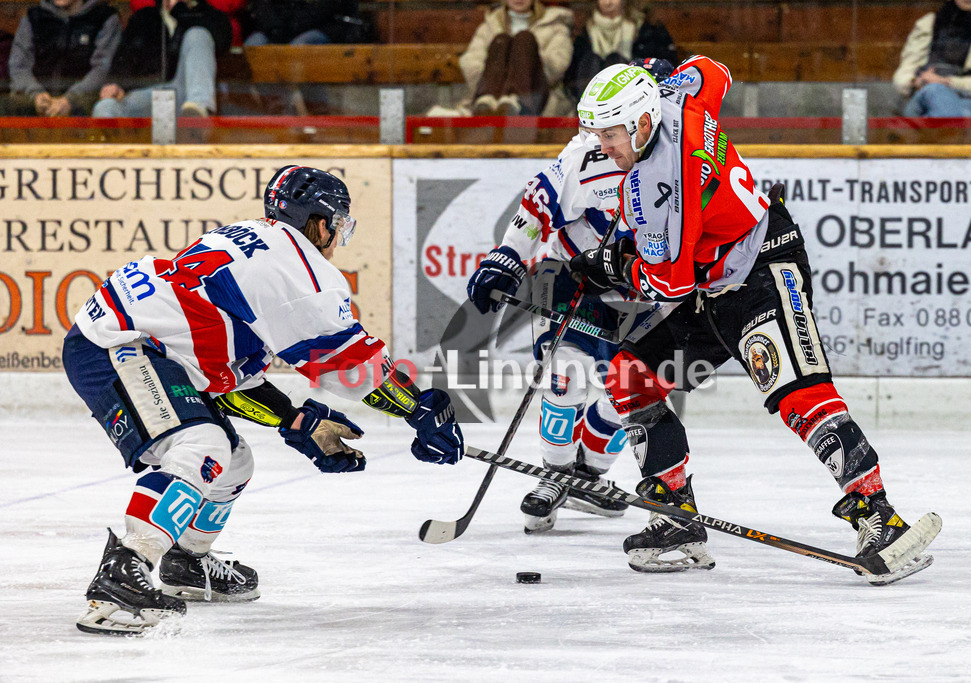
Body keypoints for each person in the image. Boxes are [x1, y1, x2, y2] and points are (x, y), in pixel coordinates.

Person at [568, 60, 941, 582]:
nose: (602, 146)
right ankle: (675, 515)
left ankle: (880, 517)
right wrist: (661, 75)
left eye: (610, 134)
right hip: (711, 281)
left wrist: (611, 265)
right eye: (597, 134)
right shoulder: (679, 97)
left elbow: (668, 283)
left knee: (795, 389)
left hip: (761, 266)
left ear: (642, 123)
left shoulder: (660, 182)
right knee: (632, 374)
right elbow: (710, 70)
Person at [64, 166, 465, 635]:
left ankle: (185, 562)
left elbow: (224, 377)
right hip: (118, 345)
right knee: (201, 447)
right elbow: (352, 367)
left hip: (133, 342)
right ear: (320, 223)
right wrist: (418, 409)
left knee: (232, 460)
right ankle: (121, 576)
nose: (339, 236)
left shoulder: (256, 242)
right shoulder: (301, 270)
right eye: (340, 224)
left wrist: (296, 420)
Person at [467, 60, 679, 533]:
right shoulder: (590, 153)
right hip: (573, 276)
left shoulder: (685, 157)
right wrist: (506, 256)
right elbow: (537, 202)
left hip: (643, 289)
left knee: (634, 389)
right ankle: (555, 471)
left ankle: (588, 476)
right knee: (567, 373)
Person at [93, 0, 232, 119]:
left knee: (197, 34)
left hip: (186, 96)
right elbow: (124, 58)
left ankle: (197, 116)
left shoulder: (210, 15)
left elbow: (222, 41)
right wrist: (117, 85)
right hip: (148, 95)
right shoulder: (144, 17)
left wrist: (179, 10)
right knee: (106, 107)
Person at [893, 0, 971, 117]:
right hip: (926, 94)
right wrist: (916, 82)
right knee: (935, 93)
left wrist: (948, 82)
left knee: (950, 111)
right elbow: (904, 74)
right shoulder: (930, 23)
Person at [5, 0, 121, 117]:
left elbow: (102, 68)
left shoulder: (104, 17)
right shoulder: (33, 17)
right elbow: (19, 66)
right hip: (36, 102)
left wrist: (70, 100)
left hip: (84, 103)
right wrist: (36, 95)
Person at [458, 0, 573, 116]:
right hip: (493, 91)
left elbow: (559, 63)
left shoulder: (554, 25)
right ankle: (487, 101)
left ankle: (515, 100)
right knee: (501, 40)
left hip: (535, 94)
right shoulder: (490, 25)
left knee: (524, 39)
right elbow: (471, 61)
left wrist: (527, 62)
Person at [563, 0, 677, 104]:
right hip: (591, 100)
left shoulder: (646, 29)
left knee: (615, 61)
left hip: (635, 100)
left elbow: (664, 66)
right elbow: (572, 76)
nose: (608, 3)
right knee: (592, 61)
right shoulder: (584, 31)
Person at [244, 0, 369, 46]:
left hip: (325, 28)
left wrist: (292, 25)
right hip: (281, 28)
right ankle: (259, 101)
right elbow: (263, 6)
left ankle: (314, 101)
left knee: (298, 48)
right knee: (254, 44)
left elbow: (324, 9)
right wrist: (275, 27)